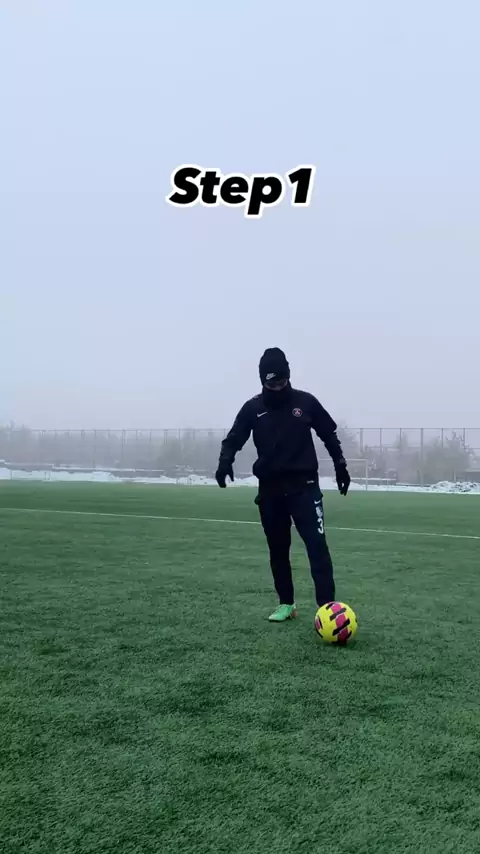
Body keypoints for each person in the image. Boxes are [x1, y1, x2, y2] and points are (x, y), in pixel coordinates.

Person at [215, 347, 350, 622]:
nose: (278, 387)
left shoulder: (306, 402)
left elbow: (329, 433)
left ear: (288, 377)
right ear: (263, 380)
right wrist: (225, 462)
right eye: (272, 383)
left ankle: (327, 608)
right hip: (271, 491)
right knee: (278, 550)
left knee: (317, 547)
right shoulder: (253, 409)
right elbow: (233, 439)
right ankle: (286, 603)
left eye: (282, 381)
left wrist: (340, 464)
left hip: (305, 487)